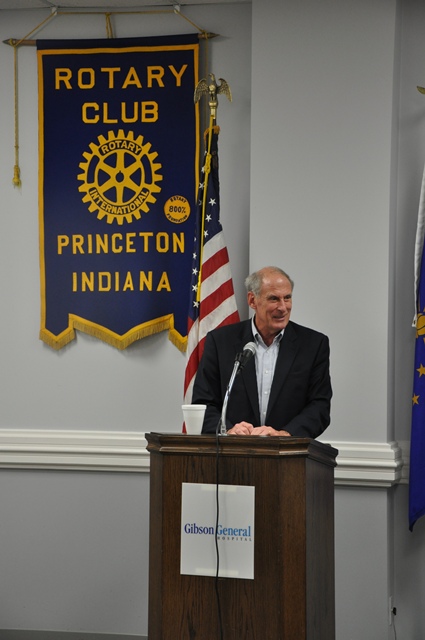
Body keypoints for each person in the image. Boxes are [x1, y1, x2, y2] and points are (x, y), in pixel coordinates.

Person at [192, 266, 332, 437]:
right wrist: (228, 430)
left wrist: (285, 434)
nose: (283, 307)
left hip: (288, 457)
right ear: (252, 301)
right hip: (233, 454)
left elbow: (320, 406)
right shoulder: (220, 342)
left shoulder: (313, 345)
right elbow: (203, 402)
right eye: (274, 299)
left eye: (287, 298)